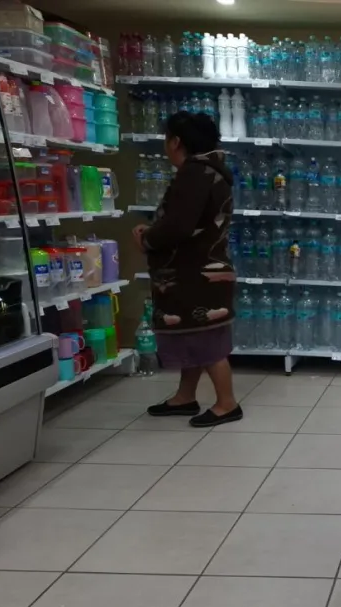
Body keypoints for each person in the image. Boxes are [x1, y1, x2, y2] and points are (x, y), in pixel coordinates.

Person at [133, 111, 242, 427]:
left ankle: (227, 403)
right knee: (193, 336)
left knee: (206, 342)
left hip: (193, 274)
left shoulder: (195, 174)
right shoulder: (213, 171)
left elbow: (178, 226)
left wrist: (146, 238)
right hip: (205, 269)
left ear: (176, 141)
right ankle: (185, 397)